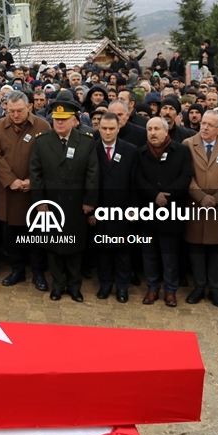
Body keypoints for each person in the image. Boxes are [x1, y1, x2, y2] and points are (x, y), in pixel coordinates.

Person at [29, 96, 99, 302]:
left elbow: (92, 174)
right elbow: (35, 174)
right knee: (54, 247)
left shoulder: (86, 141)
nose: (59, 122)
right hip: (51, 204)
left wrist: (90, 201)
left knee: (75, 247)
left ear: (74, 120)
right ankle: (58, 285)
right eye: (56, 119)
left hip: (76, 204)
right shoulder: (42, 141)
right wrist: (40, 202)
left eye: (64, 119)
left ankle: (74, 286)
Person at [0, 89, 52, 291]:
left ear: (29, 107)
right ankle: (17, 270)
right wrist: (11, 180)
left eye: (19, 111)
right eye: (11, 111)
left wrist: (32, 181)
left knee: (36, 234)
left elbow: (48, 156)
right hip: (9, 191)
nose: (15, 115)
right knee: (12, 234)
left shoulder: (42, 125)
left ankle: (38, 272)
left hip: (34, 191)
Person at [183, 110, 218, 308]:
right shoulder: (189, 144)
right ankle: (199, 286)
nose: (205, 127)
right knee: (196, 249)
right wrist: (200, 196)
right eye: (203, 123)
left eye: (210, 125)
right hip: (195, 206)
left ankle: (215, 289)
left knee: (217, 251)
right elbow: (185, 175)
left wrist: (216, 199)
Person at [136, 117, 193, 307]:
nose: (152, 133)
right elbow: (138, 178)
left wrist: (166, 196)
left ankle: (170, 290)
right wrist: (154, 195)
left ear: (166, 131)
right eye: (149, 129)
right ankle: (152, 289)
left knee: (170, 255)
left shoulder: (182, 151)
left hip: (172, 212)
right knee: (148, 254)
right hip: (148, 212)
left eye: (156, 129)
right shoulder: (141, 152)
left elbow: (186, 177)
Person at [93, 111, 138, 303]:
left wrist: (134, 208)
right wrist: (91, 209)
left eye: (112, 128)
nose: (108, 132)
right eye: (104, 128)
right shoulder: (92, 148)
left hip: (123, 210)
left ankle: (122, 287)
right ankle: (105, 285)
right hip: (101, 210)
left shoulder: (130, 150)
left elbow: (135, 182)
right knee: (103, 251)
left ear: (119, 128)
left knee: (122, 252)